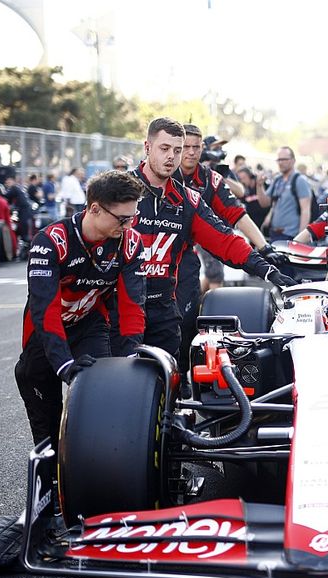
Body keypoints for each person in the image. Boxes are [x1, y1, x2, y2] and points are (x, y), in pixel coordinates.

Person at [126, 117, 295, 358]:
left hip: (166, 297)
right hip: (121, 304)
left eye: (177, 149)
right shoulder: (120, 189)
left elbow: (225, 237)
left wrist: (266, 266)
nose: (173, 156)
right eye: (165, 149)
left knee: (171, 367)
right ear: (147, 147)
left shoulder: (192, 195)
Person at [14, 169, 146, 447]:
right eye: (122, 219)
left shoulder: (130, 243)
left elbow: (132, 306)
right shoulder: (51, 242)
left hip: (89, 325)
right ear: (94, 209)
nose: (128, 226)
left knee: (102, 409)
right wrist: (64, 365)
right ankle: (49, 483)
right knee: (48, 432)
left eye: (132, 217)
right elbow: (45, 312)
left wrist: (131, 358)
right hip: (46, 332)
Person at [173, 124, 282, 397]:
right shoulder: (159, 172)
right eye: (186, 146)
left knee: (186, 318)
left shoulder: (209, 178)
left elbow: (237, 213)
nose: (191, 152)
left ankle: (181, 376)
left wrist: (264, 247)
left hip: (189, 251)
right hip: (148, 255)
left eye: (196, 147)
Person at [256, 146, 311, 242]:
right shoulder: (278, 180)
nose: (280, 163)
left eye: (284, 159)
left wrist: (300, 240)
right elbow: (264, 203)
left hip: (291, 237)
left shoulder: (299, 180)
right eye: (279, 160)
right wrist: (259, 186)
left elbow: (305, 211)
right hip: (275, 234)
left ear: (293, 161)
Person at [5, 175, 35, 253]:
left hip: (24, 213)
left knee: (24, 231)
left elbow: (6, 198)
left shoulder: (14, 189)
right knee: (22, 230)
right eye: (7, 182)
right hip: (24, 212)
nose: (7, 184)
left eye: (9, 182)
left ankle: (28, 249)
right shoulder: (18, 189)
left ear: (13, 181)